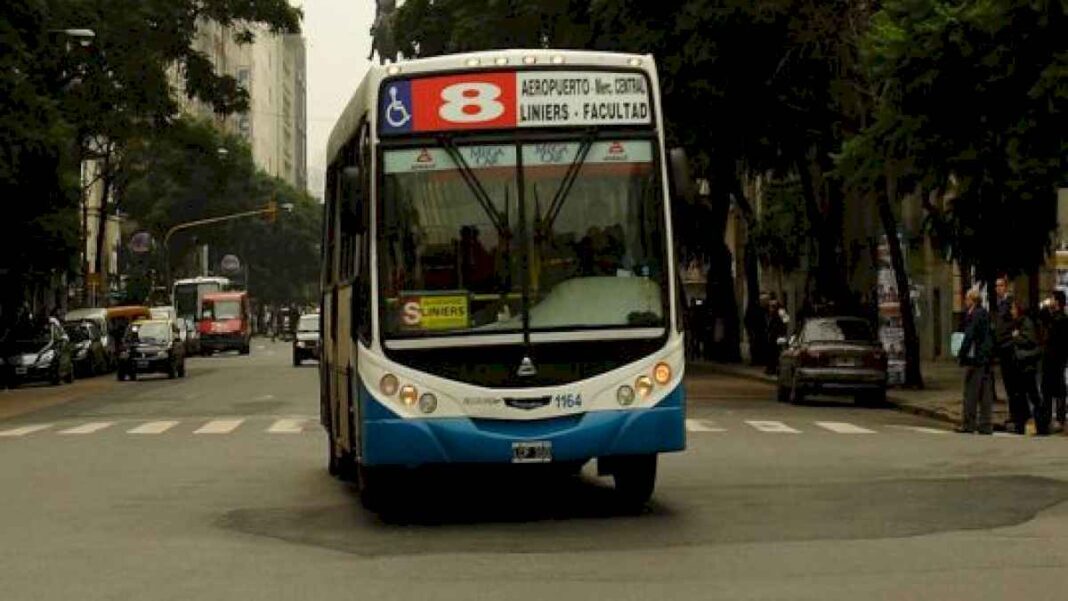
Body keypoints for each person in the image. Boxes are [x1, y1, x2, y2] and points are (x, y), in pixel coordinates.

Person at [957, 288, 995, 434]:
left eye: (967, 299)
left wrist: (962, 354)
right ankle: (986, 424)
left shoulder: (974, 314)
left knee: (971, 392)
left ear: (972, 300)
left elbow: (969, 335)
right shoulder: (984, 313)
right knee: (985, 393)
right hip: (986, 358)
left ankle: (969, 424)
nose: (965, 302)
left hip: (976, 358)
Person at [1009, 300, 1044, 434]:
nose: (1011, 312)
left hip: (1027, 366)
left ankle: (1040, 423)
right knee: (1021, 396)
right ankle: (1021, 424)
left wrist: (1016, 337)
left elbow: (1030, 341)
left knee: (1032, 395)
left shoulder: (1026, 322)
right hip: (1020, 365)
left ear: (1019, 310)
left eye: (1013, 309)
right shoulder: (1018, 322)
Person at [993, 276, 1023, 432]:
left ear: (1005, 287)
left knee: (1013, 384)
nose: (998, 288)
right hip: (1003, 348)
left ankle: (1018, 415)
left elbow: (1013, 323)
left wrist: (1009, 337)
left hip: (1009, 348)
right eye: (996, 286)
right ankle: (1014, 414)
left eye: (1000, 285)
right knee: (1008, 384)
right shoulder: (1000, 304)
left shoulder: (1009, 302)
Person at [1040, 291, 1068, 431]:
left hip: (1056, 359)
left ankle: (1059, 419)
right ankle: (1047, 418)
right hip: (1050, 358)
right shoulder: (1054, 316)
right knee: (1047, 389)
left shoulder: (1061, 318)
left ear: (1057, 302)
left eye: (1052, 298)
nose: (1049, 300)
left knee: (1058, 389)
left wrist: (1045, 307)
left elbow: (1047, 320)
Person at [765, 299, 787, 375]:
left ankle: (775, 368)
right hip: (772, 336)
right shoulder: (769, 314)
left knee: (777, 352)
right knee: (771, 352)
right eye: (770, 306)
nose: (771, 308)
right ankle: (771, 368)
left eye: (773, 306)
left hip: (779, 336)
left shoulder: (781, 312)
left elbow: (786, 322)